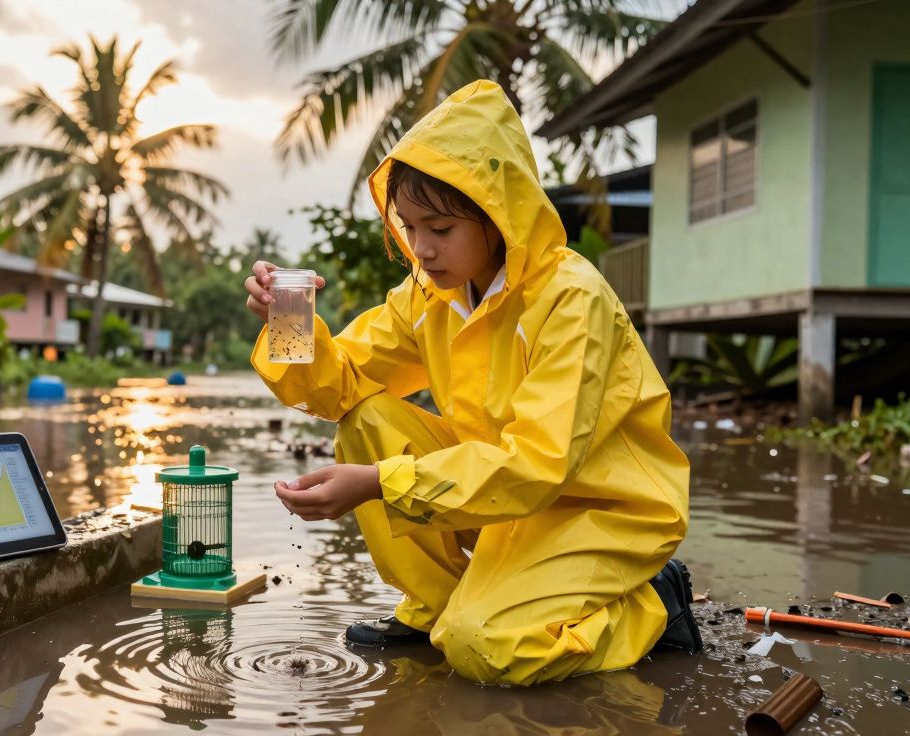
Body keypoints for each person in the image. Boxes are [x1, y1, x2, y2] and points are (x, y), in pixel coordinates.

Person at [243, 80, 699, 687]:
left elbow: (538, 463)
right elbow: (339, 389)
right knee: (369, 420)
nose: (422, 249)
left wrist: (380, 482)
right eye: (409, 227)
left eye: (440, 227)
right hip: (501, 498)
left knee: (488, 649)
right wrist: (289, 325)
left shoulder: (570, 298)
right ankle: (440, 607)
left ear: (495, 214)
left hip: (595, 508)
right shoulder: (430, 296)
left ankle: (651, 605)